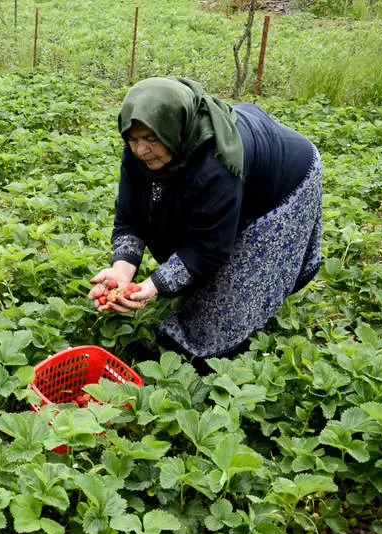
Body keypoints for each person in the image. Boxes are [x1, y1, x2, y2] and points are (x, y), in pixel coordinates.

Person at [88, 77, 322, 364]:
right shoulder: (142, 149)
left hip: (287, 179)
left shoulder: (217, 162)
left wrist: (150, 287)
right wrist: (122, 271)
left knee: (236, 291)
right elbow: (130, 214)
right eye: (133, 139)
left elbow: (208, 246)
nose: (140, 150)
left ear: (176, 128)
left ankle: (210, 353)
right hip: (237, 176)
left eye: (150, 139)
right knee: (200, 257)